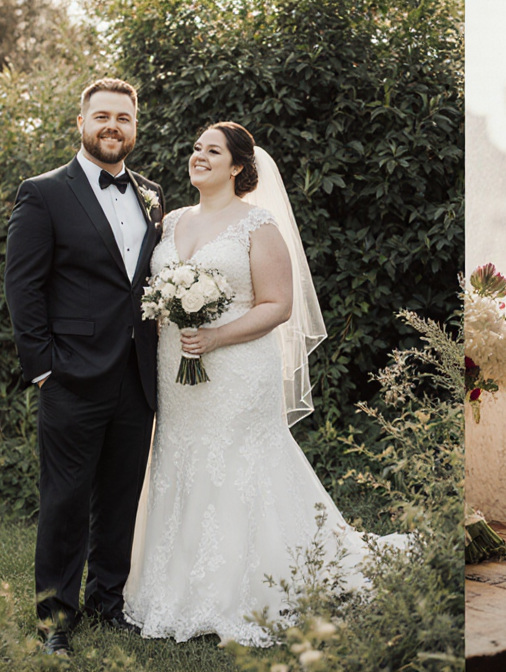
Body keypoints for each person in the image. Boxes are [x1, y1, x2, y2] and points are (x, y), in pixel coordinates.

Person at [122, 121, 383, 646]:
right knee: (180, 460)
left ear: (238, 166)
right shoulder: (169, 223)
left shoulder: (258, 226)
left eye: (212, 151)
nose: (199, 157)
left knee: (238, 463)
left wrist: (216, 338)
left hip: (238, 369)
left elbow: (278, 306)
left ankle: (246, 592)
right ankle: (177, 589)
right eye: (196, 149)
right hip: (177, 373)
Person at [4, 78, 165, 656]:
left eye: (123, 117)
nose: (112, 126)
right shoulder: (43, 192)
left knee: (121, 497)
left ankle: (106, 601)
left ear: (135, 126)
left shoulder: (152, 193)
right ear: (82, 123)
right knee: (66, 500)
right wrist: (42, 367)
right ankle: (54, 621)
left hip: (136, 375)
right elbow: (23, 287)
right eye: (102, 116)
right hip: (70, 375)